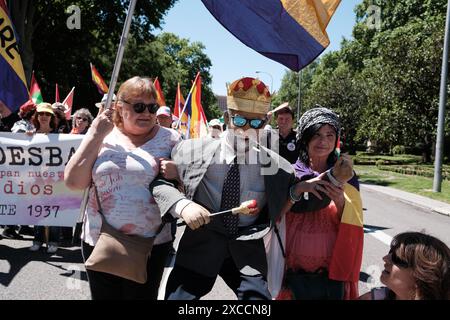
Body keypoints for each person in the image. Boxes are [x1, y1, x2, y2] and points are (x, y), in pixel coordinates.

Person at [150, 76, 295, 300]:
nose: (247, 129)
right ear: (227, 117)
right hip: (199, 247)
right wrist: (182, 205)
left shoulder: (278, 168)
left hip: (245, 255)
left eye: (256, 123)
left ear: (265, 123)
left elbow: (306, 196)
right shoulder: (189, 151)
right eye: (240, 121)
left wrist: (333, 179)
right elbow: (160, 184)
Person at [64, 76, 181, 300]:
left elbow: (190, 187)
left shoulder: (172, 139)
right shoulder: (102, 133)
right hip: (100, 239)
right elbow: (73, 183)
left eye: (152, 107)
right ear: (120, 107)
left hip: (151, 244)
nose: (146, 113)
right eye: (138, 106)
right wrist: (96, 134)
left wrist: (179, 173)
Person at [276, 106, 363, 300]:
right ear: (305, 138)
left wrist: (340, 202)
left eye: (329, 135)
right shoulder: (290, 173)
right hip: (292, 264)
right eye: (316, 134)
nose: (323, 141)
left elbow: (354, 222)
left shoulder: (346, 175)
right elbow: (276, 215)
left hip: (330, 266)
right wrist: (298, 189)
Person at [359, 232, 450, 300]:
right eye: (391, 252)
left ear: (423, 275)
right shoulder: (376, 296)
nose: (385, 258)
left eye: (397, 258)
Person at [28, 103, 61, 254]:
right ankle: (37, 240)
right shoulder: (30, 135)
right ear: (36, 116)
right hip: (36, 180)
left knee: (53, 210)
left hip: (54, 181)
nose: (43, 117)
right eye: (41, 114)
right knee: (38, 210)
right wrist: (26, 139)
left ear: (52, 118)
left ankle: (53, 241)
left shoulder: (60, 136)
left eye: (47, 114)